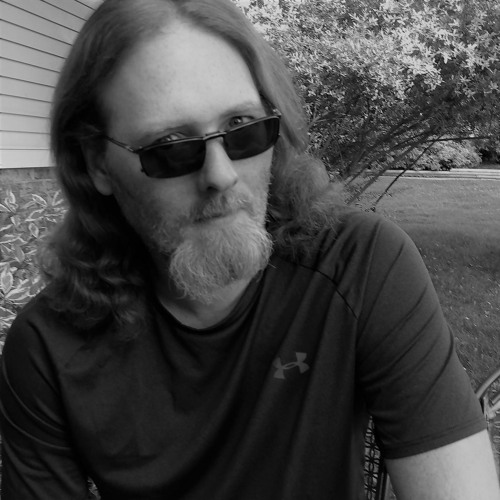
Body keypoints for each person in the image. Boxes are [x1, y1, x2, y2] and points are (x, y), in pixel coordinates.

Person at [0, 0, 499, 498]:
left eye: (243, 128)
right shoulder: (48, 349)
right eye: (170, 146)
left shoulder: (360, 267)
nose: (220, 174)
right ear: (97, 165)